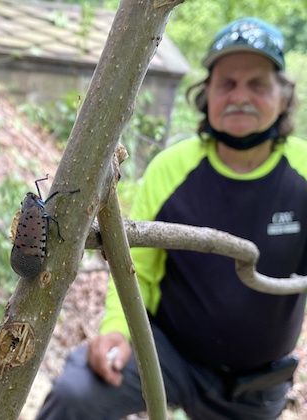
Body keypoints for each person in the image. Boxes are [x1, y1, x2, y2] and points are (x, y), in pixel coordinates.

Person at [36, 17, 307, 420]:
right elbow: (134, 268)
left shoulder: (302, 169)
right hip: (166, 355)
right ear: (206, 96)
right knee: (79, 393)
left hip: (255, 383)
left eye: (257, 84)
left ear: (284, 97)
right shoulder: (171, 168)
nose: (240, 96)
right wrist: (117, 330)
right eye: (226, 84)